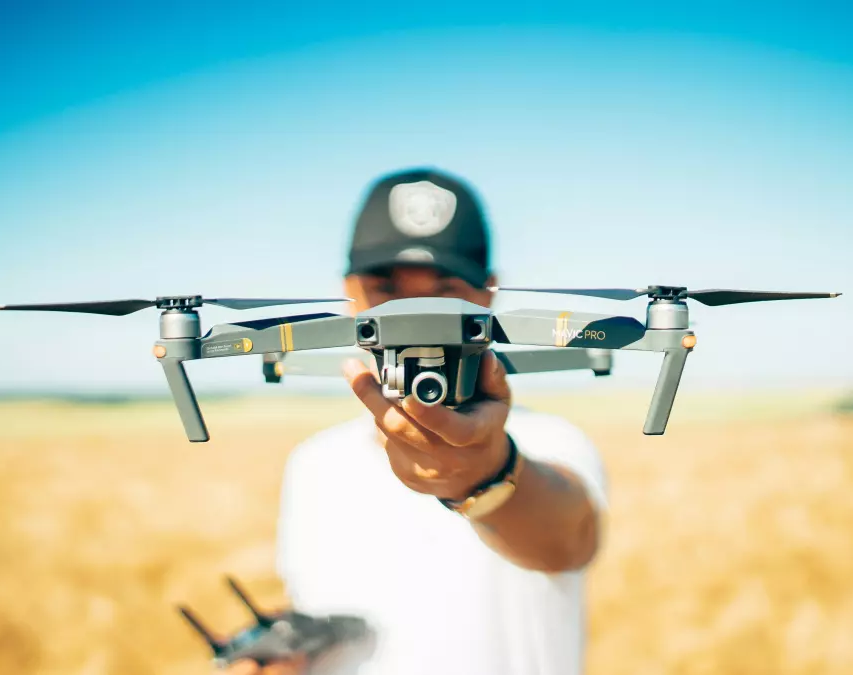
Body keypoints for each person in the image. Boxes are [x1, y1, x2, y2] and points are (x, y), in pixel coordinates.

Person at [229, 167, 608, 675]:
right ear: (350, 294)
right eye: (387, 290)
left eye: (443, 291)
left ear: (487, 295)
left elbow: (565, 539)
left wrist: (490, 473)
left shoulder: (554, 442)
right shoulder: (313, 464)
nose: (413, 317)